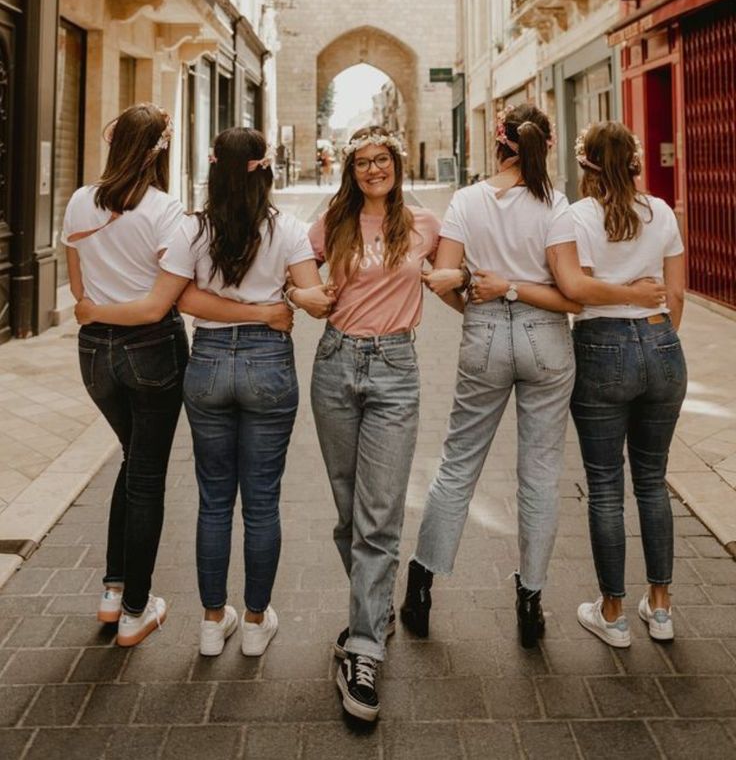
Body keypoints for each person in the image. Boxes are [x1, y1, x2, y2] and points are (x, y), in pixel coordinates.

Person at [402, 103, 668, 650]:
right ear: (545, 145)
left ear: (498, 143)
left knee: (457, 464)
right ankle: (530, 600)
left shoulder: (468, 200)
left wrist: (479, 307)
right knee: (541, 473)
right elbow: (572, 295)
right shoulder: (560, 208)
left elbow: (447, 278)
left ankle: (421, 589)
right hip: (545, 338)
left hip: (484, 337)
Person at [75, 127, 332, 659]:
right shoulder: (288, 228)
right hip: (266, 362)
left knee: (214, 501)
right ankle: (257, 622)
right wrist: (293, 299)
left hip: (209, 364)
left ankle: (213, 622)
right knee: (261, 502)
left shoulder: (193, 228)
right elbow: (311, 296)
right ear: (266, 168)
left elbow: (183, 299)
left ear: (214, 168)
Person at [308, 126, 444, 722]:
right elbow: (291, 275)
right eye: (362, 162)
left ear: (397, 164)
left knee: (379, 514)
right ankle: (376, 612)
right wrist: (298, 294)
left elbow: (460, 275)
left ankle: (363, 651)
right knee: (348, 512)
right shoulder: (330, 223)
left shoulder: (423, 225)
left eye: (381, 160)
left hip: (394, 366)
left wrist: (470, 284)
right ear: (351, 170)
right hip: (335, 363)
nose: (372, 170)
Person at [63, 103, 188, 648]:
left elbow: (79, 295)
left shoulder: (78, 201)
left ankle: (113, 593)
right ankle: (137, 609)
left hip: (95, 357)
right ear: (160, 149)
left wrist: (94, 314)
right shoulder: (166, 211)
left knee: (133, 460)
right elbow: (156, 308)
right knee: (146, 475)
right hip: (151, 352)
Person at [569, 122, 687, 648]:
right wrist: (655, 336)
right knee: (653, 480)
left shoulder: (579, 217)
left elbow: (579, 293)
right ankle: (660, 608)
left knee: (605, 486)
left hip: (601, 345)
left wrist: (621, 309)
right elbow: (676, 294)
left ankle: (613, 613)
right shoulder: (661, 211)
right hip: (662, 342)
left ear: (586, 164)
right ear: (635, 162)